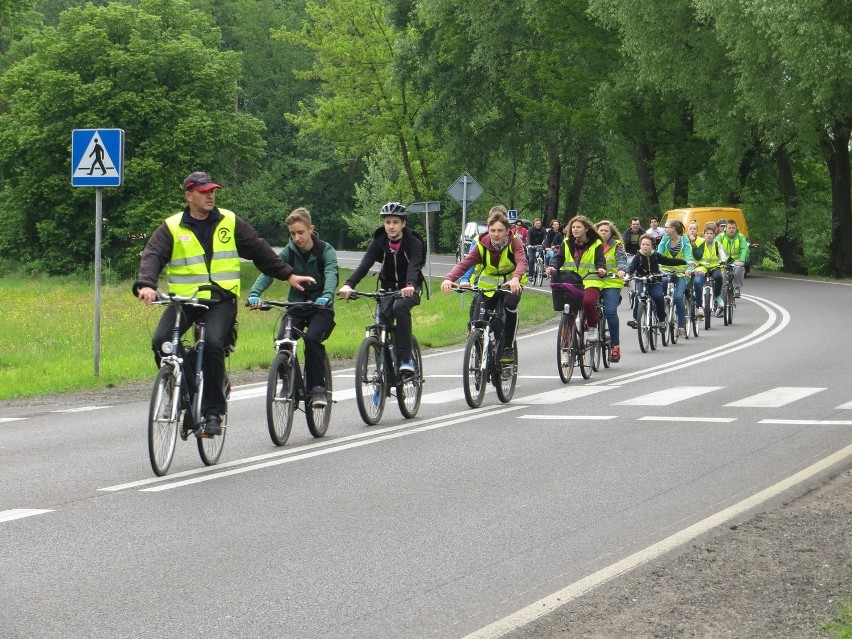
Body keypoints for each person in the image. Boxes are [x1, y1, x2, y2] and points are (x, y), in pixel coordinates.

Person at [134, 171, 315, 436]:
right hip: (184, 300)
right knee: (161, 343)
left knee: (213, 346)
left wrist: (287, 274)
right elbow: (152, 255)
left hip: (220, 301)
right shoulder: (172, 226)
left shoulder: (229, 221)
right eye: (204, 191)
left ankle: (213, 412)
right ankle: (186, 392)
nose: (210, 195)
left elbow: (258, 249)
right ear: (189, 195)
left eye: (212, 191)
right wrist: (146, 284)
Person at [247, 208, 337, 408]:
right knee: (282, 341)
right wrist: (255, 293)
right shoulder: (289, 252)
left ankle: (317, 389)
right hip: (296, 306)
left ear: (310, 229)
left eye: (300, 232)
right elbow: (270, 270)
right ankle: (289, 383)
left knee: (312, 340)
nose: (296, 238)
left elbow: (331, 274)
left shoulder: (325, 250)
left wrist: (326, 296)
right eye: (292, 234)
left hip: (321, 308)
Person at [338, 202, 425, 375]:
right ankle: (382, 376)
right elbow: (364, 265)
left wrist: (410, 285)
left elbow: (414, 266)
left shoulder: (413, 242)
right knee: (380, 330)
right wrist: (349, 284)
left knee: (400, 307)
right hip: (386, 290)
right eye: (387, 222)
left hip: (409, 289)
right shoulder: (379, 242)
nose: (391, 226)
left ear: (403, 223)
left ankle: (406, 358)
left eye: (395, 222)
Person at [441, 206, 526, 363]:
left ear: (508, 230)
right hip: (488, 286)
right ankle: (480, 353)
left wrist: (516, 278)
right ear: (488, 229)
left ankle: (508, 347)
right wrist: (449, 278)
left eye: (500, 230)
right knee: (478, 321)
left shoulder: (515, 242)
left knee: (509, 306)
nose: (496, 234)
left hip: (510, 285)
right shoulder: (482, 244)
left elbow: (521, 261)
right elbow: (465, 263)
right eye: (492, 230)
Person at [545, 215, 606, 343]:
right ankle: (566, 350)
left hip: (591, 280)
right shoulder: (566, 242)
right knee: (569, 313)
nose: (575, 229)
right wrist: (552, 266)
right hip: (571, 281)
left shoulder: (596, 243)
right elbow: (558, 258)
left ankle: (593, 327)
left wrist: (601, 269)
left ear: (586, 229)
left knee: (588, 302)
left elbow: (600, 259)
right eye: (573, 227)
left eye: (578, 227)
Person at [625, 235, 687, 329]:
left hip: (655, 282)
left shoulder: (656, 255)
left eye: (648, 245)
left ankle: (661, 319)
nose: (645, 246)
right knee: (638, 296)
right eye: (643, 244)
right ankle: (635, 319)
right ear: (640, 245)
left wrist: (685, 262)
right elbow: (631, 267)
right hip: (643, 281)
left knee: (658, 297)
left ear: (652, 246)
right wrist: (627, 275)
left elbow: (668, 261)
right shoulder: (638, 256)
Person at [656, 219, 694, 338]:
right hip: (666, 270)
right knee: (661, 288)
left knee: (678, 298)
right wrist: (655, 265)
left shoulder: (685, 240)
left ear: (673, 229)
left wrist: (688, 268)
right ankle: (662, 314)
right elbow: (658, 254)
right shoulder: (665, 239)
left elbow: (688, 255)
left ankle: (681, 326)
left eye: (666, 227)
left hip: (681, 272)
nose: (664, 229)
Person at [596, 220, 627, 362]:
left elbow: (622, 259)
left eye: (606, 231)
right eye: (601, 230)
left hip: (612, 282)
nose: (603, 233)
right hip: (595, 281)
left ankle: (615, 346)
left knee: (610, 312)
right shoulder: (592, 244)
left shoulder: (617, 245)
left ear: (611, 233)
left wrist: (621, 270)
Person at [692, 222, 724, 318]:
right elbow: (697, 256)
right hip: (702, 267)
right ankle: (699, 306)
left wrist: (723, 261)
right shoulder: (701, 243)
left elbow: (722, 254)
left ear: (714, 234)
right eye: (707, 233)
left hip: (714, 267)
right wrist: (694, 246)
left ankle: (717, 296)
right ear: (704, 234)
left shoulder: (718, 244)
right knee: (697, 282)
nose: (709, 236)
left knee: (718, 277)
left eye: (711, 234)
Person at [717, 219, 750, 298]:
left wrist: (742, 261)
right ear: (726, 228)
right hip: (724, 259)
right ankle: (720, 298)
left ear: (736, 228)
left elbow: (744, 249)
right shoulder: (720, 236)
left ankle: (736, 287)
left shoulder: (741, 237)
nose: (731, 230)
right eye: (729, 228)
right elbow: (715, 248)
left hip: (737, 258)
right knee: (723, 278)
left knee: (739, 269)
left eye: (733, 228)